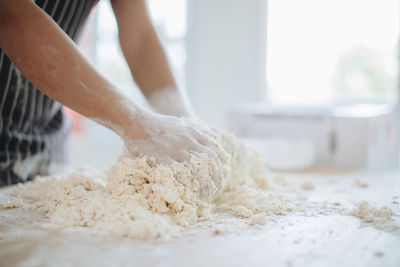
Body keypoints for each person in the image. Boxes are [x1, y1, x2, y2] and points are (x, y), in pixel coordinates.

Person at [0, 0, 219, 186]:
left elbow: (140, 37)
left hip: (45, 143)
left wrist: (184, 119)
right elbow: (12, 16)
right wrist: (135, 121)